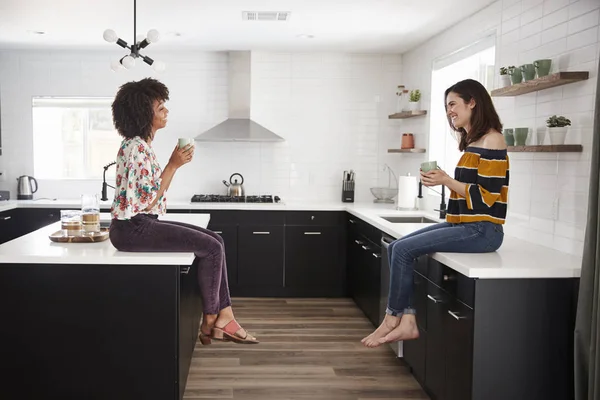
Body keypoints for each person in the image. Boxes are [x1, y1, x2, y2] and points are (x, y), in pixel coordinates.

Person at [108, 77, 258, 345]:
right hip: (133, 229)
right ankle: (213, 319)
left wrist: (173, 164)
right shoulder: (135, 148)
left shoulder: (140, 146)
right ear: (144, 113)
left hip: (138, 225)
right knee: (211, 248)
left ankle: (224, 315)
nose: (166, 112)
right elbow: (148, 201)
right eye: (161, 107)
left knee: (217, 241)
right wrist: (173, 164)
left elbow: (151, 197)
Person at [362, 78, 508, 347]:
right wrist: (442, 180)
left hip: (483, 230)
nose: (449, 110)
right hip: (463, 225)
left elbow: (488, 198)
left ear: (472, 102)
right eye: (447, 106)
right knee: (396, 247)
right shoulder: (473, 142)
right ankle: (406, 321)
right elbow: (470, 189)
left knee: (404, 251)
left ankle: (392, 319)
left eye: (453, 104)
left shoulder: (493, 139)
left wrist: (446, 181)